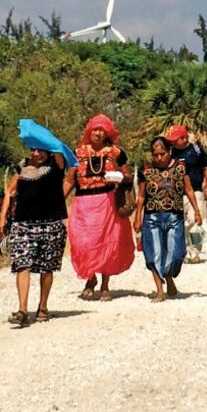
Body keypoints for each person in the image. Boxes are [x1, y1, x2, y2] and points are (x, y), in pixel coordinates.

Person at [0, 138, 70, 328]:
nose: (36, 153)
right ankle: (22, 310)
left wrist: (49, 140)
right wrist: (2, 216)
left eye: (40, 150)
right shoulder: (21, 167)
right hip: (24, 224)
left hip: (51, 224)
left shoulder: (56, 165)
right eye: (33, 149)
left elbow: (59, 151)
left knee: (47, 267)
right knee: (22, 264)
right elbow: (10, 191)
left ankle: (43, 306)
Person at [69, 114, 134, 301]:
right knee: (83, 243)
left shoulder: (116, 152)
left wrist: (120, 177)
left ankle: (105, 285)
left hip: (107, 202)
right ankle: (90, 278)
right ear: (89, 131)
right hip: (82, 204)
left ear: (108, 133)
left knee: (108, 243)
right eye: (95, 129)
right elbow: (69, 181)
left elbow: (127, 175)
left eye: (102, 130)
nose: (97, 133)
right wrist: (56, 203)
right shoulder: (77, 153)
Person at [135, 136, 201, 301]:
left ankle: (170, 278)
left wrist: (196, 210)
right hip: (152, 217)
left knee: (176, 253)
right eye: (155, 155)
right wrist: (137, 217)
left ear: (169, 151)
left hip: (174, 217)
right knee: (154, 253)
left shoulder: (180, 168)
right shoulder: (147, 171)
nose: (159, 158)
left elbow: (189, 190)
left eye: (162, 154)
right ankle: (159, 290)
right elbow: (141, 196)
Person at [167, 125, 207, 262]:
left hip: (196, 190)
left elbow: (206, 168)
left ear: (184, 138)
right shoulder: (170, 152)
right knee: (179, 222)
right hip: (177, 192)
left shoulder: (196, 150)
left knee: (194, 220)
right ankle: (183, 251)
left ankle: (195, 252)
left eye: (176, 139)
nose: (173, 142)